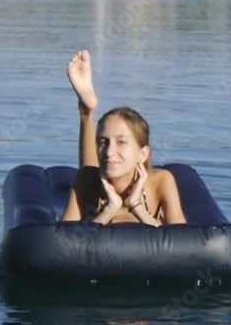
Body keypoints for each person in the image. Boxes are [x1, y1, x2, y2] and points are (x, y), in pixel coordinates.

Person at [61, 50, 186, 226]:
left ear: (142, 154)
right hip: (95, 189)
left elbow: (182, 242)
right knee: (90, 172)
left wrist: (136, 206)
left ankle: (86, 112)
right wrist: (109, 210)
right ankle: (86, 112)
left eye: (121, 142)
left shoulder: (161, 182)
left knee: (96, 169)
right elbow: (61, 243)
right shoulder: (84, 181)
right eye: (102, 142)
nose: (110, 151)